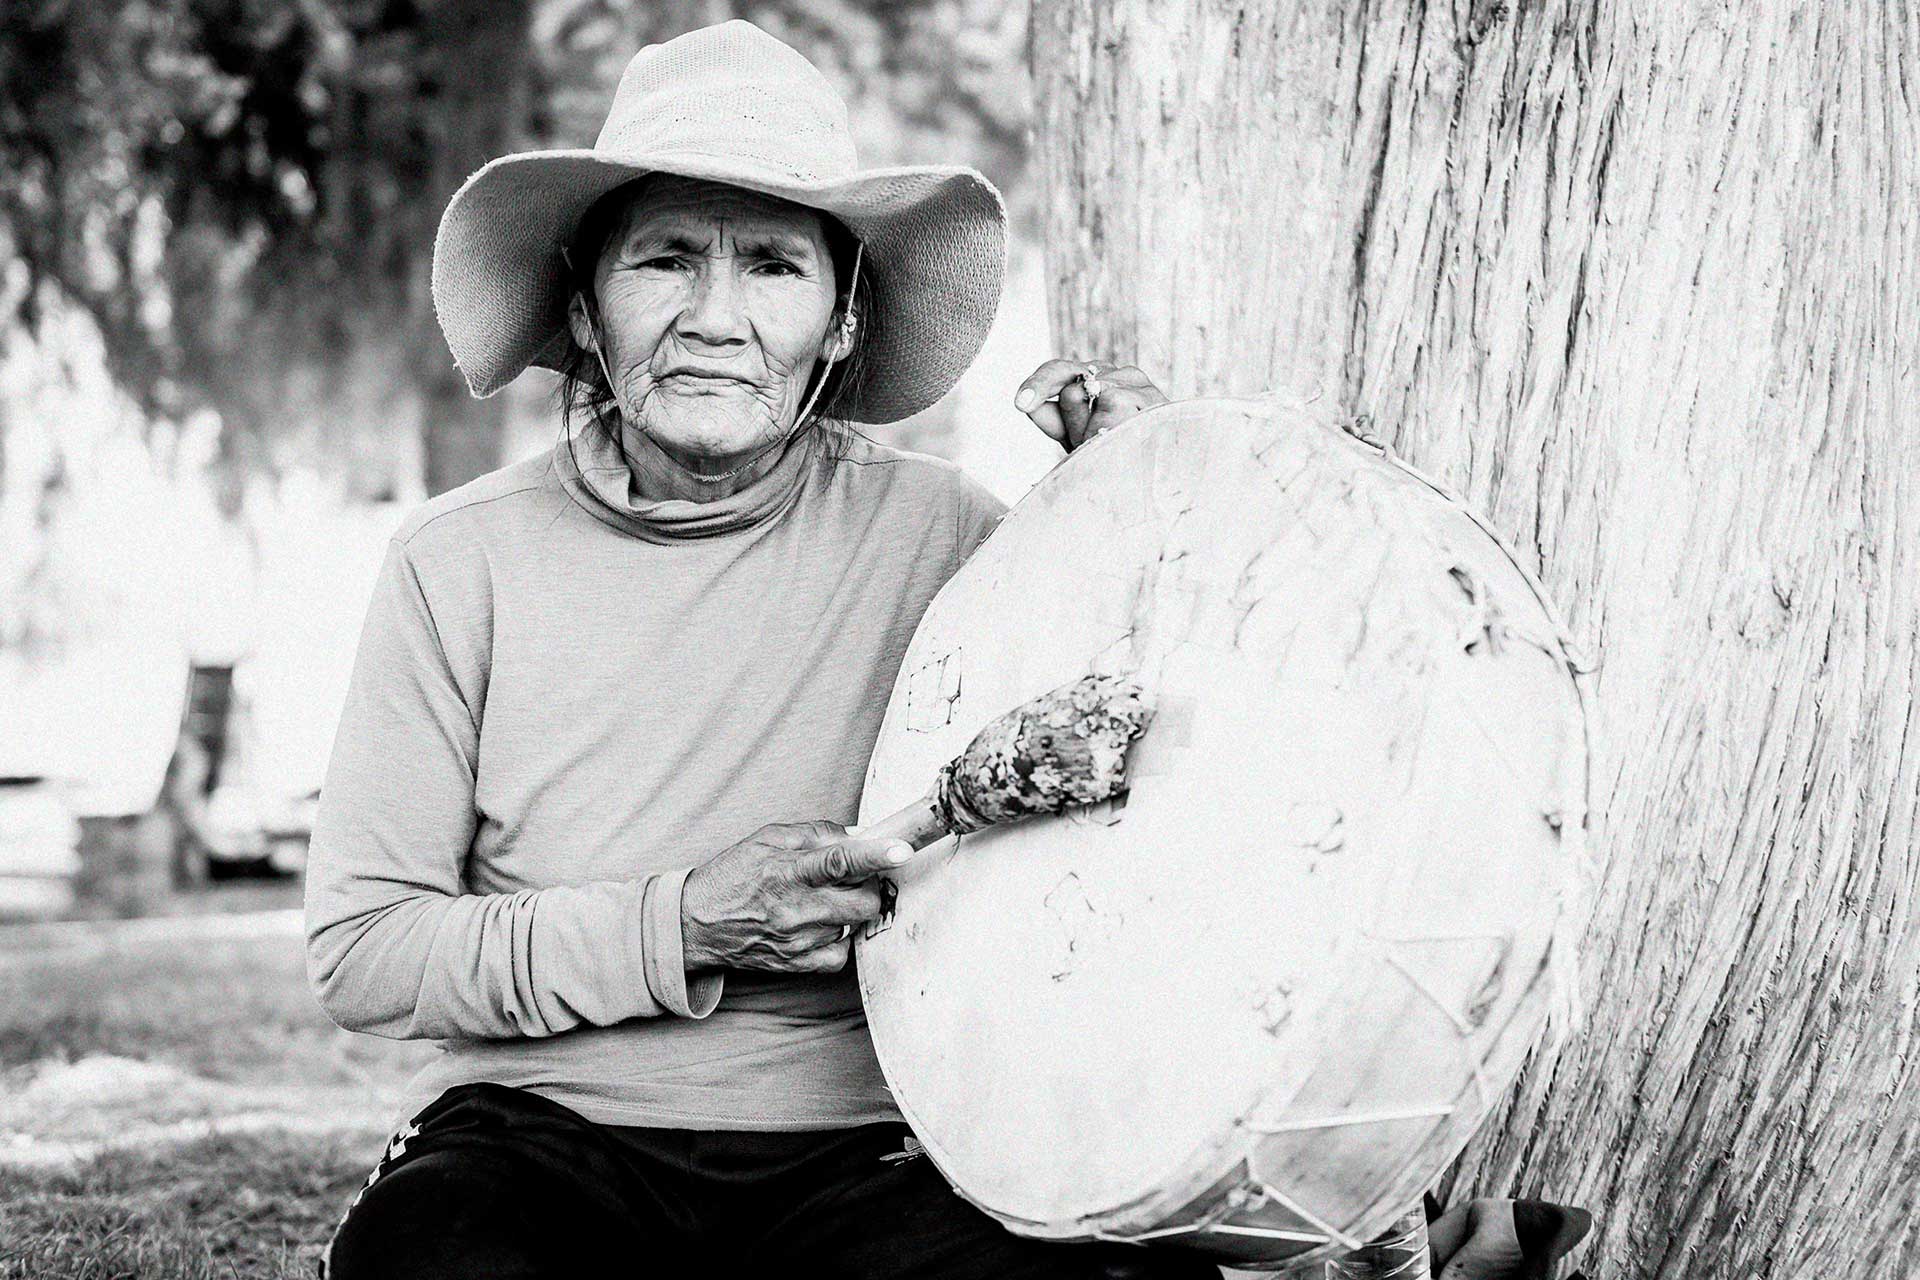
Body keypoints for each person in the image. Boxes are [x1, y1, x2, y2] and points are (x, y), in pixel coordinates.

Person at [306, 20, 1588, 1279]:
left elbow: (1185, 742)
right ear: (586, 308)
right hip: (540, 1137)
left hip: (873, 1149)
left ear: (844, 323)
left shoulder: (955, 539)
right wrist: (684, 923)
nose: (713, 314)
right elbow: (366, 949)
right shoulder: (458, 560)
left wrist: (1153, 508)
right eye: (663, 260)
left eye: (770, 264)